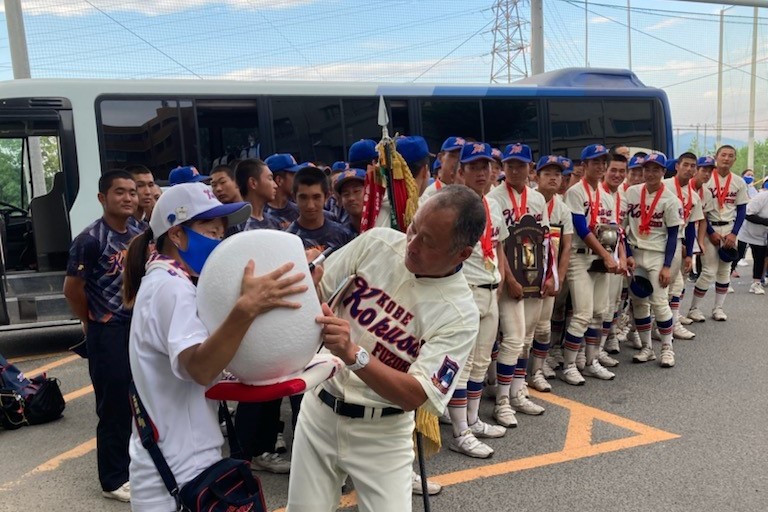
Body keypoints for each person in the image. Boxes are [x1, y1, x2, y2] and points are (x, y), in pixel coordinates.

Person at [286, 185, 485, 512]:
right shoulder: (377, 242)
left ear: (462, 253)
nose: (412, 244)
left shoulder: (460, 313)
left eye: (428, 241)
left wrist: (354, 355)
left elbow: (416, 394)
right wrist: (307, 282)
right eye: (413, 228)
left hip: (383, 431)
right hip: (320, 407)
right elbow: (319, 294)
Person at [122, 182, 308, 512]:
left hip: (180, 464)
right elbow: (200, 367)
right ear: (177, 235)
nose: (219, 243)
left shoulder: (173, 282)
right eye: (210, 232)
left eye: (221, 234)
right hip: (177, 474)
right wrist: (246, 308)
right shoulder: (170, 289)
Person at [63, 170, 143, 502]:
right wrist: (92, 320)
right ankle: (113, 479)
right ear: (102, 198)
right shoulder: (90, 239)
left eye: (132, 192)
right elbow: (72, 290)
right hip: (106, 331)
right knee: (113, 407)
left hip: (137, 328)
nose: (128, 198)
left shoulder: (140, 233)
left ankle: (136, 468)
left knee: (138, 400)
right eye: (119, 192)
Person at [445, 142, 508, 459]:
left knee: (481, 362)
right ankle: (460, 432)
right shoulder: (452, 202)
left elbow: (496, 245)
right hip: (465, 288)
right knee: (461, 363)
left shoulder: (493, 205)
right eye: (475, 166)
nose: (483, 172)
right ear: (462, 171)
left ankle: (472, 419)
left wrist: (503, 277)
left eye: (487, 166)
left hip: (490, 287)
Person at [487, 143, 552, 421]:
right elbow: (498, 244)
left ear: (530, 168)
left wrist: (548, 275)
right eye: (510, 164)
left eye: (521, 165)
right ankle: (502, 401)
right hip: (508, 277)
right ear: (503, 168)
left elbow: (546, 239)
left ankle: (517, 391)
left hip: (533, 276)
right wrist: (509, 279)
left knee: (525, 338)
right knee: (512, 338)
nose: (515, 169)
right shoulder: (494, 197)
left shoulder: (537, 199)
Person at [560, 144, 623, 385]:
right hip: (580, 254)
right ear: (584, 165)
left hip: (602, 255)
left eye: (602, 162)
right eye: (594, 162)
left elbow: (614, 229)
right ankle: (568, 365)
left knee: (600, 312)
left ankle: (591, 360)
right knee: (583, 313)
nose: (600, 166)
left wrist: (614, 255)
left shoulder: (606, 194)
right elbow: (582, 228)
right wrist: (606, 256)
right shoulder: (576, 192)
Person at [621, 153, 683, 367]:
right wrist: (627, 254)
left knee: (659, 302)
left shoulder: (671, 199)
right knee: (639, 302)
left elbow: (673, 235)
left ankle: (667, 348)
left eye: (656, 169)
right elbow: (623, 227)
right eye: (647, 169)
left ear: (663, 172)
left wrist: (667, 266)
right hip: (636, 252)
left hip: (658, 254)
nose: (650, 173)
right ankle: (647, 347)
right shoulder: (631, 192)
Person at [686, 146, 748, 322]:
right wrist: (711, 233)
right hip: (708, 228)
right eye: (723, 155)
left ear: (734, 160)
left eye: (730, 156)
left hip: (728, 229)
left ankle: (718, 308)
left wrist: (734, 233)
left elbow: (742, 209)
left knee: (724, 270)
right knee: (708, 270)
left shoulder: (738, 181)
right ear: (716, 157)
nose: (726, 159)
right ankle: (694, 308)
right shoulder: (706, 178)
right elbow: (701, 210)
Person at [528, 155, 573, 391]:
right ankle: (509, 377)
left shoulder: (563, 208)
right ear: (536, 176)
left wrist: (559, 276)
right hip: (525, 272)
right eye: (548, 173)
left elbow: (566, 246)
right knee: (522, 330)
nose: (554, 178)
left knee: (544, 327)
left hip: (548, 273)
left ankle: (538, 369)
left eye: (557, 174)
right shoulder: (528, 200)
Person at [663, 152, 703, 341]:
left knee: (676, 285)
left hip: (678, 241)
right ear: (677, 166)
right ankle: (666, 323)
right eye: (685, 165)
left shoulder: (694, 196)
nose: (689, 169)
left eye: (692, 166)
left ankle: (671, 322)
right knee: (665, 284)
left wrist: (690, 254)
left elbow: (691, 226)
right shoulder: (665, 186)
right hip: (659, 239)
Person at [286, 166, 355, 251]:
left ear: (326, 196)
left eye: (316, 197)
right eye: (303, 198)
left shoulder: (343, 235)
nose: (310, 205)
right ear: (294, 197)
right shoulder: (287, 240)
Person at [231, 159, 280, 233]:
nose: (275, 185)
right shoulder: (235, 225)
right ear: (253, 183)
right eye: (270, 179)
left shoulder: (274, 222)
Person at [738, 187, 768, 295]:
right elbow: (747, 214)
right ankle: (726, 279)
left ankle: (756, 283)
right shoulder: (762, 197)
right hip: (746, 232)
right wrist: (766, 222)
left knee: (760, 258)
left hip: (762, 235)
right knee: (738, 255)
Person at [419, 136, 464, 205]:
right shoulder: (428, 195)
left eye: (462, 157)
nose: (457, 161)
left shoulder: (472, 192)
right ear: (440, 157)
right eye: (453, 156)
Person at [264, 153, 302, 229]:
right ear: (279, 180)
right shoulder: (261, 215)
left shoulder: (300, 211)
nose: (299, 180)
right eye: (294, 176)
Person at [334, 168, 366, 235]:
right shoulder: (341, 234)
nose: (351, 198)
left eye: (356, 191)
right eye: (346, 194)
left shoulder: (383, 222)